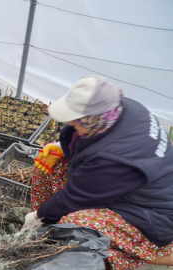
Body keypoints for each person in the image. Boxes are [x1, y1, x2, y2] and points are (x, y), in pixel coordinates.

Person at [23, 75, 173, 270]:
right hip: (138, 188)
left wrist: (38, 217)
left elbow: (76, 197)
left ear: (92, 121)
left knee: (77, 228)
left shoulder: (113, 161)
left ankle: (149, 253)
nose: (71, 125)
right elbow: (94, 146)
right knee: (50, 163)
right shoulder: (121, 109)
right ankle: (46, 231)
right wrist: (62, 146)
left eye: (77, 122)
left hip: (154, 217)